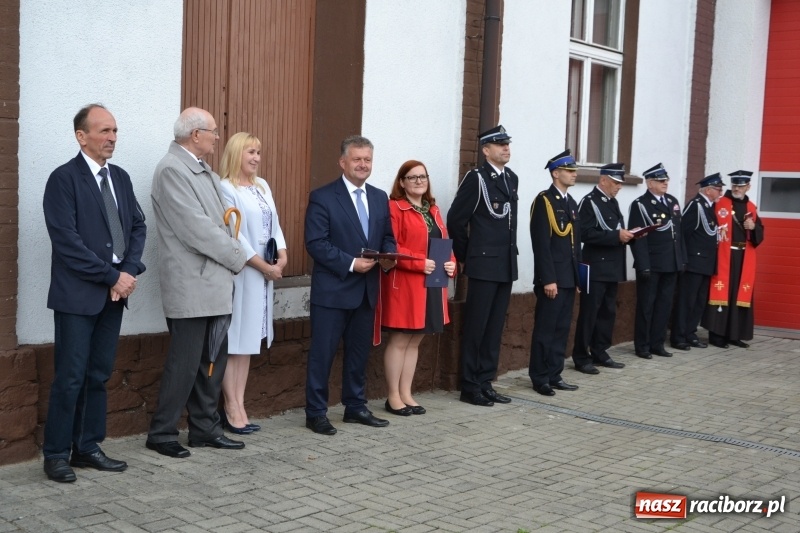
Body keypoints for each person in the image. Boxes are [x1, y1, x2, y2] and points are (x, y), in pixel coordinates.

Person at [41, 104, 146, 483]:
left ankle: (87, 447)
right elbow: (66, 243)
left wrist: (129, 270)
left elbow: (137, 227)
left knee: (98, 375)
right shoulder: (63, 180)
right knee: (70, 376)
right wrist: (111, 276)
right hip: (77, 296)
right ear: (81, 136)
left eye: (115, 131)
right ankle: (55, 454)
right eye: (104, 131)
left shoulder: (120, 177)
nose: (112, 138)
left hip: (114, 294)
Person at [146, 107, 247, 458]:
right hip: (192, 285)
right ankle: (162, 433)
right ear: (195, 135)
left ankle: (204, 429)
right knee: (185, 363)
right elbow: (198, 230)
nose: (218, 138)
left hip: (214, 284)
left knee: (211, 362)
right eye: (214, 132)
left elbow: (223, 223)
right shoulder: (173, 170)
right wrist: (238, 257)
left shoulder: (203, 170)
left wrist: (233, 254)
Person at [304, 135, 397, 435]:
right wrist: (351, 263)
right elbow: (316, 243)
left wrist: (388, 257)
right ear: (343, 162)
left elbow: (387, 238)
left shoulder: (381, 197)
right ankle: (316, 412)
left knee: (358, 353)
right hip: (333, 291)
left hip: (367, 292)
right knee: (323, 355)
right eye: (357, 159)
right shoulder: (323, 197)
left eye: (367, 159)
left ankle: (355, 407)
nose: (362, 165)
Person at [218, 132, 287, 433]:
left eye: (258, 152)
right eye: (250, 152)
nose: (256, 158)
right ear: (236, 154)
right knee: (235, 341)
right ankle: (230, 407)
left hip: (264, 273)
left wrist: (281, 258)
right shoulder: (225, 188)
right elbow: (235, 236)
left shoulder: (262, 186)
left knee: (248, 343)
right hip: (243, 272)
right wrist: (263, 266)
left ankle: (240, 403)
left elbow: (276, 226)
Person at [446, 125, 518, 407]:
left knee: (494, 327)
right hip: (483, 264)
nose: (506, 148)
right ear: (486, 150)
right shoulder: (476, 179)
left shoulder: (511, 178)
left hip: (505, 264)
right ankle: (470, 385)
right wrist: (466, 255)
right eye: (500, 144)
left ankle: (486, 381)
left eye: (507, 144)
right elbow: (455, 220)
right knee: (477, 327)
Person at [379, 160, 456, 416]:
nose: (419, 181)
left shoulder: (433, 209)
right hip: (406, 284)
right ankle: (392, 397)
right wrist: (417, 263)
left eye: (422, 176)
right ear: (402, 182)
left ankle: (406, 393)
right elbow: (392, 246)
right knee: (400, 340)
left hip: (432, 284)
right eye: (412, 177)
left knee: (415, 341)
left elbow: (444, 243)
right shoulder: (395, 208)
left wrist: (452, 264)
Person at [571, 163, 634, 374]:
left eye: (620, 183)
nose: (619, 187)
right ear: (603, 180)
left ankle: (600, 351)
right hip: (596, 267)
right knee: (590, 313)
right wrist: (616, 236)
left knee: (607, 312)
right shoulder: (589, 202)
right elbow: (585, 234)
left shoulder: (611, 202)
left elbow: (613, 229)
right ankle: (581, 356)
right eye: (615, 182)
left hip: (612, 267)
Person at [529, 149, 582, 396]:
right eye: (569, 171)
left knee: (561, 329)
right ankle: (540, 377)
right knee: (546, 329)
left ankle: (554, 374)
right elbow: (542, 244)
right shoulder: (545, 201)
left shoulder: (570, 203)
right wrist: (548, 279)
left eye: (574, 170)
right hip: (552, 279)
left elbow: (574, 245)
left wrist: (578, 277)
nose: (574, 174)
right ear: (556, 173)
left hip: (569, 278)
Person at [628, 163, 686, 359]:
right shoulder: (640, 205)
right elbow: (638, 237)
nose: (665, 183)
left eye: (666, 180)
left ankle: (657, 343)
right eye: (661, 181)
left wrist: (682, 260)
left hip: (671, 263)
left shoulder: (672, 201)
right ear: (650, 183)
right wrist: (643, 264)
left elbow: (679, 233)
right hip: (651, 264)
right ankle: (642, 346)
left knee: (664, 305)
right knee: (647, 306)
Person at [701, 170, 764, 349]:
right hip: (724, 255)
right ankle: (717, 334)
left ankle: (735, 334)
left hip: (744, 256)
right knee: (724, 293)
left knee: (738, 294)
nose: (737, 188)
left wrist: (754, 227)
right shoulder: (720, 203)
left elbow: (760, 233)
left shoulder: (752, 207)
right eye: (735, 184)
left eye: (741, 185)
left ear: (748, 187)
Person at [670, 173, 725, 351]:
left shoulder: (708, 207)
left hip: (706, 263)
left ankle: (690, 333)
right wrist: (683, 260)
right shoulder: (695, 206)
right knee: (687, 301)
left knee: (699, 301)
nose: (720, 192)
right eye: (718, 189)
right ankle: (678, 337)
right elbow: (684, 234)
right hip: (693, 262)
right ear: (708, 190)